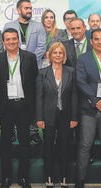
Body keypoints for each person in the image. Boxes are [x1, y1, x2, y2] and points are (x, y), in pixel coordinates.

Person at [0, 28, 37, 188]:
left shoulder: (30, 57)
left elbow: (34, 84)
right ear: (3, 41)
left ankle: (23, 177)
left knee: (24, 142)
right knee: (5, 142)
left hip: (24, 105)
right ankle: (6, 177)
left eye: (14, 39)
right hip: (6, 107)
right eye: (8, 39)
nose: (11, 42)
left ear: (18, 40)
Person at [36, 42, 78, 188]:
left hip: (66, 117)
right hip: (48, 117)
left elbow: (74, 96)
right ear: (50, 55)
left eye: (60, 53)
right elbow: (39, 97)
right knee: (48, 148)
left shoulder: (71, 71)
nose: (58, 55)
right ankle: (49, 177)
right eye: (55, 53)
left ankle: (64, 177)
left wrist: (74, 117)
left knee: (64, 147)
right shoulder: (42, 72)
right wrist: (39, 118)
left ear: (64, 55)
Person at [3, 0, 45, 144]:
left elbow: (41, 47)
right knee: (14, 100)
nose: (29, 10)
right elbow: (7, 46)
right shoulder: (8, 26)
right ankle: (14, 131)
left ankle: (33, 131)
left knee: (31, 99)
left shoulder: (38, 26)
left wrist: (27, 61)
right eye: (26, 8)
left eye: (30, 8)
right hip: (13, 68)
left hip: (33, 69)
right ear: (18, 10)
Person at [76, 28, 101, 188]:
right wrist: (95, 100)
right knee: (85, 145)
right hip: (90, 109)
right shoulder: (83, 59)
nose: (100, 41)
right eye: (97, 39)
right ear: (91, 42)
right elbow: (81, 81)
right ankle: (80, 180)